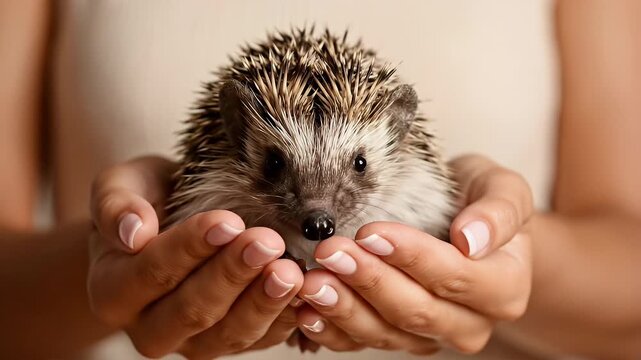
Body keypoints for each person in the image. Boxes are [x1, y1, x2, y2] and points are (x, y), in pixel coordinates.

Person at [1, 0, 639, 359]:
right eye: (276, 165)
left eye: (358, 167)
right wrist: (123, 265)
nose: (315, 207)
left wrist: (506, 262)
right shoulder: (214, 189)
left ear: (396, 135)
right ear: (240, 137)